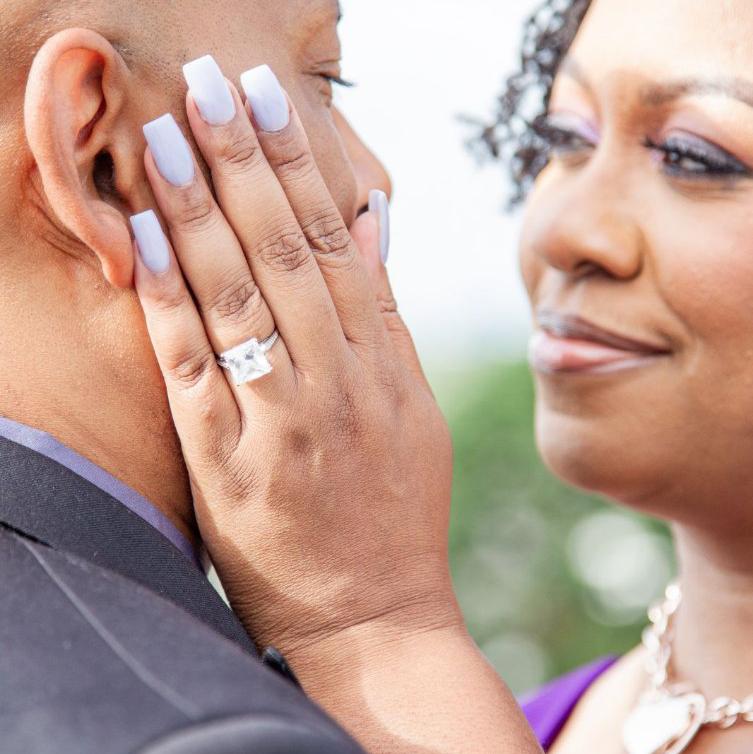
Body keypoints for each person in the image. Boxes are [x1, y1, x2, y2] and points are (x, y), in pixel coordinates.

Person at [128, 0, 753, 753]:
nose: (558, 230)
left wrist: (370, 624)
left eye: (691, 156)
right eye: (564, 138)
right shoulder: (530, 722)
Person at [0, 0, 388, 752]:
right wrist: (374, 621)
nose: (376, 179)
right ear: (98, 155)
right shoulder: (209, 734)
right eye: (323, 78)